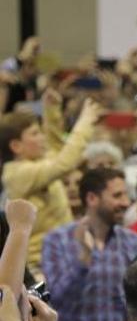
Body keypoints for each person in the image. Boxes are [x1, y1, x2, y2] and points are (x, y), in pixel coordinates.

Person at [41, 167, 137, 321]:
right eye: (117, 196)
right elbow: (57, 300)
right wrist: (83, 259)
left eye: (126, 195)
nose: (126, 202)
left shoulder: (132, 241)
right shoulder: (57, 240)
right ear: (92, 198)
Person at [0, 93, 100, 276]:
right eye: (35, 134)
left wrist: (52, 112)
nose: (42, 138)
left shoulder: (37, 164)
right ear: (16, 146)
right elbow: (64, 163)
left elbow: (55, 149)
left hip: (65, 258)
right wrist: (84, 123)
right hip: (40, 268)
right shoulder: (16, 173)